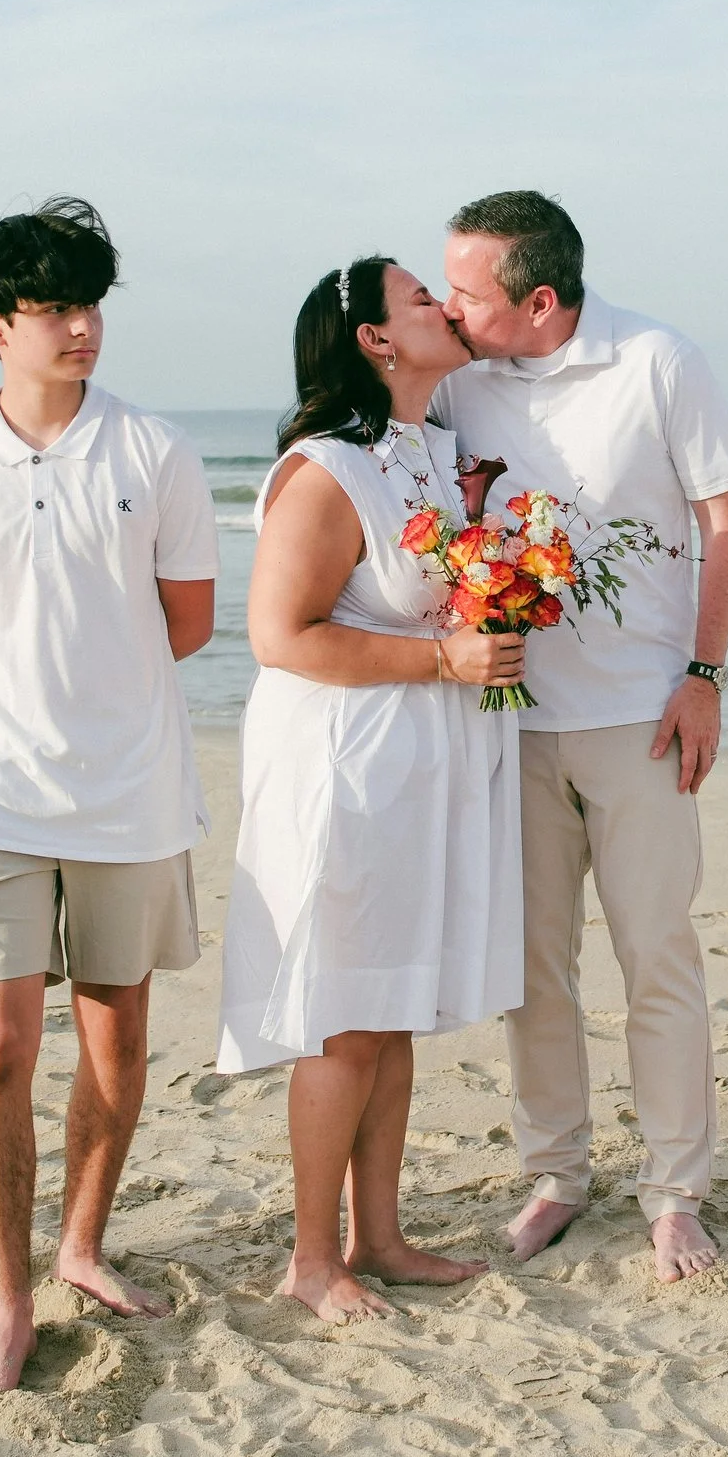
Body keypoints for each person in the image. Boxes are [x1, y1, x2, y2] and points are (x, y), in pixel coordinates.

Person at [0, 197, 217, 1391]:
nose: (80, 327)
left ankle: (81, 1243)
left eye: (90, 305)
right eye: (52, 309)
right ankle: (7, 1299)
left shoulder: (156, 452)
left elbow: (188, 622)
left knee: (118, 1042)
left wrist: (93, 694)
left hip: (129, 788)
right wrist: (1, 725)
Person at [432, 191, 728, 1283]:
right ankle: (557, 1174)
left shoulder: (661, 361)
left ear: (538, 298)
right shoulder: (458, 384)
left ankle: (675, 1192)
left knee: (656, 954)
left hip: (642, 715)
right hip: (512, 722)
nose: (446, 304)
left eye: (464, 289)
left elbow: (724, 520)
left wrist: (704, 675)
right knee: (533, 968)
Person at [221, 256, 528, 1323]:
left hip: (424, 762)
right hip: (346, 763)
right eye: (417, 300)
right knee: (346, 1016)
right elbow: (280, 636)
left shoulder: (436, 456)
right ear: (374, 341)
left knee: (391, 1010)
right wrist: (441, 662)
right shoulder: (327, 470)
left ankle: (382, 1234)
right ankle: (311, 1257)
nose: (443, 307)